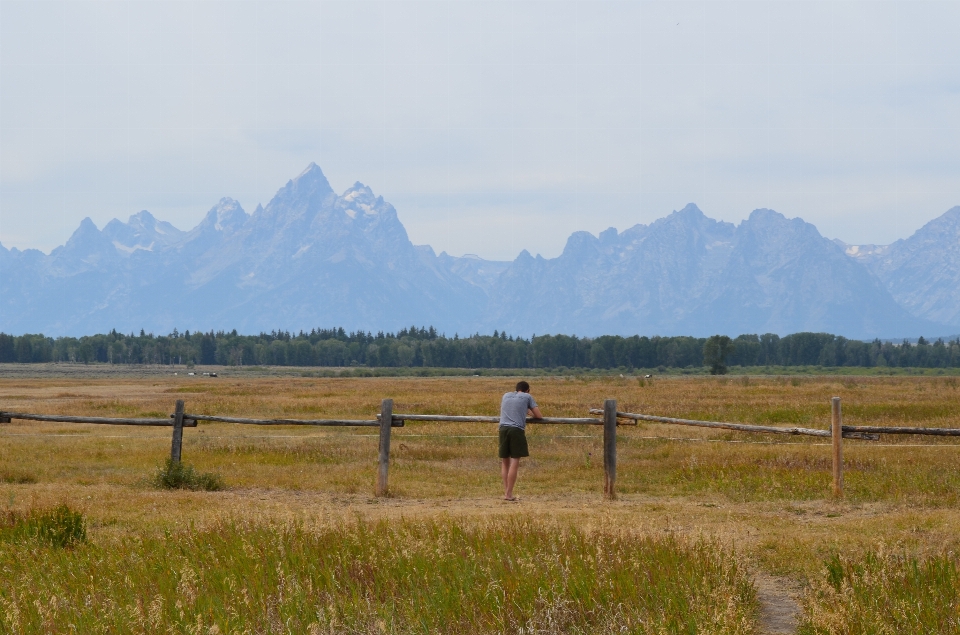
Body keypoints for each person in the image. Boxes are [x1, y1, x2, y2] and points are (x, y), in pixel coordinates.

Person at [498, 380, 542, 501]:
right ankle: (509, 494)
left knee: (504, 460)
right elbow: (539, 415)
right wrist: (528, 412)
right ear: (527, 390)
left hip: (503, 428)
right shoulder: (527, 396)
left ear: (516, 389)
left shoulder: (506, 395)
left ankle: (506, 491)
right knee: (515, 460)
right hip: (516, 429)